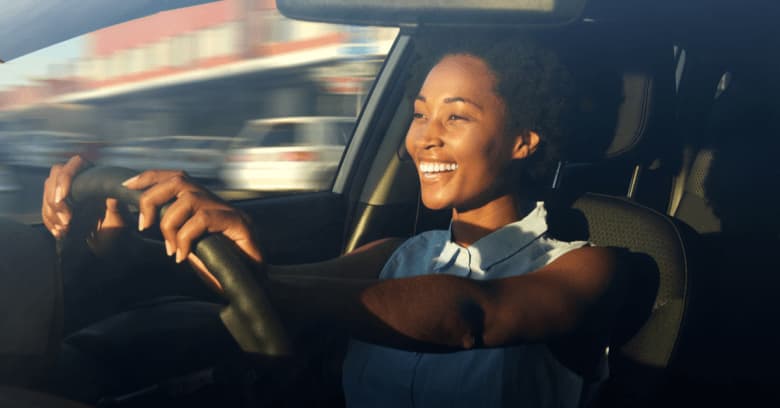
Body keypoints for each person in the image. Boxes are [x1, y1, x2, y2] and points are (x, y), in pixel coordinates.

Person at [41, 32, 624, 407]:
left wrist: (266, 287)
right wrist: (126, 243)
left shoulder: (585, 267)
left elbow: (472, 316)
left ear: (523, 141)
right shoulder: (399, 255)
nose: (425, 137)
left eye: (457, 117)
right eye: (420, 115)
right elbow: (271, 289)